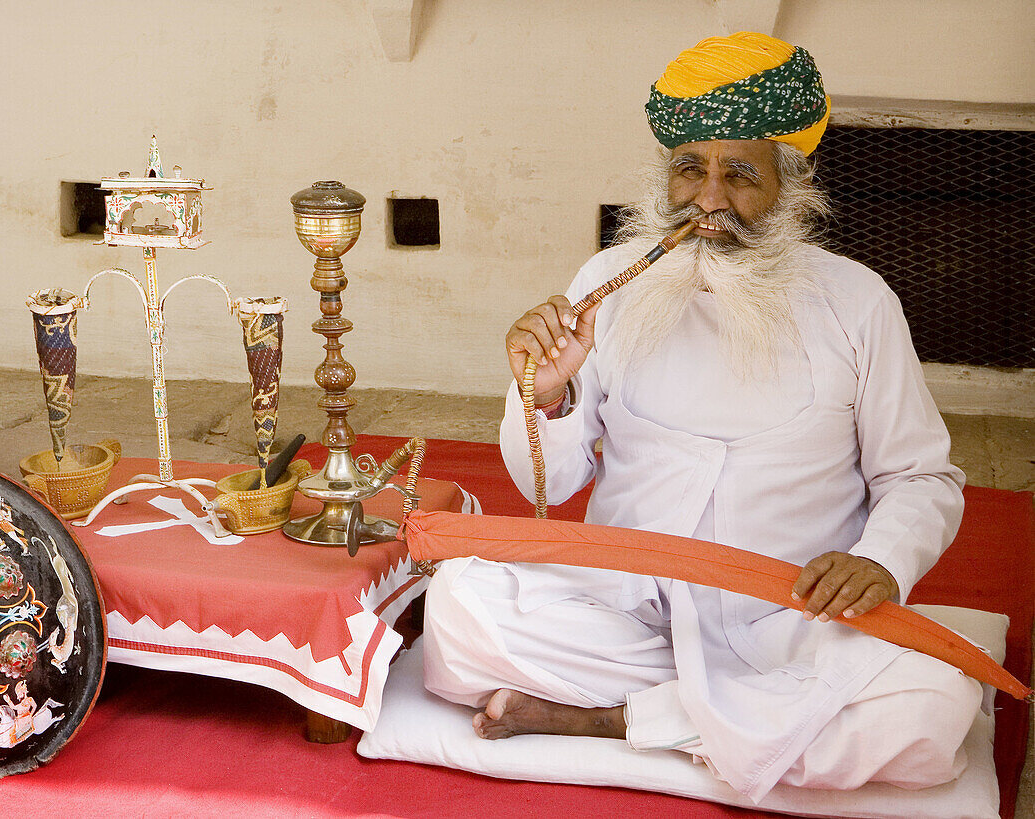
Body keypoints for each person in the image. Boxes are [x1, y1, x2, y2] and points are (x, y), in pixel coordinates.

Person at [421, 32, 982, 802]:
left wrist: (881, 560)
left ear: (791, 185)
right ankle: (714, 718)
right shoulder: (607, 284)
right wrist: (547, 395)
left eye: (740, 176)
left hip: (788, 621)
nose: (709, 200)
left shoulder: (857, 301)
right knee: (457, 611)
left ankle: (611, 720)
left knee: (934, 703)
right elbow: (548, 478)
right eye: (691, 169)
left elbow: (920, 475)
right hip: (624, 612)